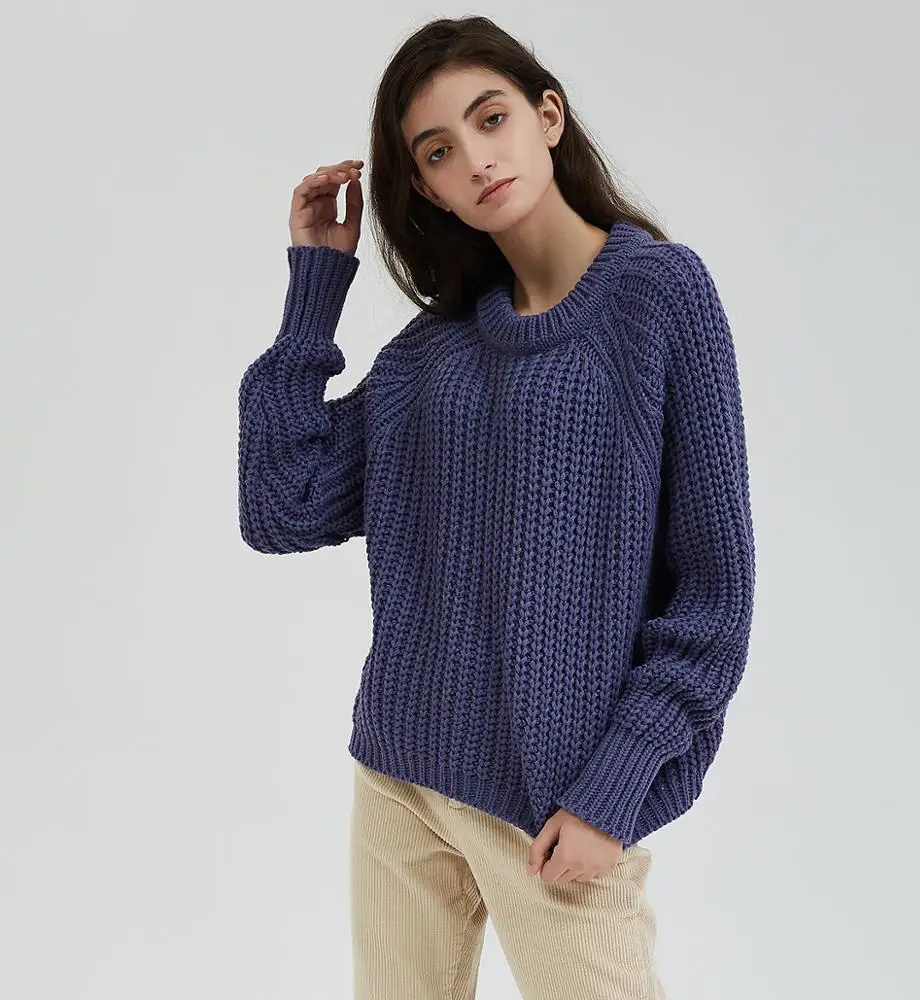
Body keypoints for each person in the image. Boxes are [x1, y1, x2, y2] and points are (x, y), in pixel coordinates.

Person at [237, 15, 755, 1000]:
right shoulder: (429, 358)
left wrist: (613, 791)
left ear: (546, 116)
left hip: (555, 805)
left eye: (491, 119)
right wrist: (316, 285)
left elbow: (712, 592)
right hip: (400, 782)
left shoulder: (658, 298)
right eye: (438, 151)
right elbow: (281, 505)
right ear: (424, 188)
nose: (475, 159)